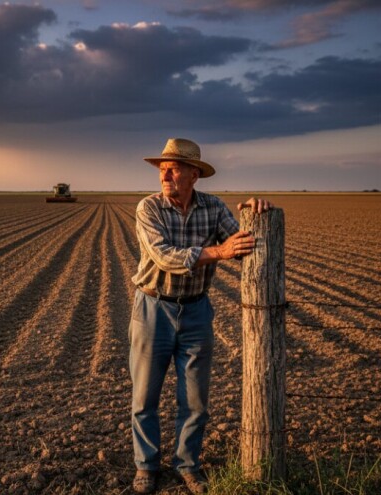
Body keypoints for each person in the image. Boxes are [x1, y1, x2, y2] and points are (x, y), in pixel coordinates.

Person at [128, 138, 271, 494]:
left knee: (195, 399)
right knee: (145, 397)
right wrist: (218, 251)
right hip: (152, 309)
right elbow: (164, 256)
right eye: (162, 168)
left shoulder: (213, 207)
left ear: (195, 174)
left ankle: (188, 464)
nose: (165, 174)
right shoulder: (149, 208)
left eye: (173, 168)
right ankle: (146, 467)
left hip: (196, 311)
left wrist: (255, 212)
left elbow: (239, 242)